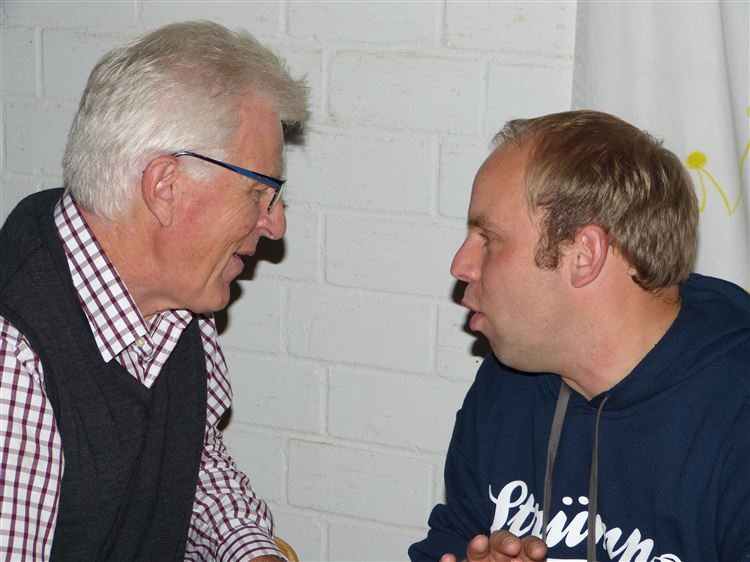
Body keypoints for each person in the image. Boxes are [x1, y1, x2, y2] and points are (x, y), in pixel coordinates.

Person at [0, 21, 307, 561]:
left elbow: (193, 464)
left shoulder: (175, 298)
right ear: (165, 186)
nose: (275, 225)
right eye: (259, 192)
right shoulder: (14, 358)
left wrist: (252, 551)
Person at [409, 110, 749, 562]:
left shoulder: (735, 413)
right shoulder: (511, 378)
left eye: (488, 238)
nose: (461, 265)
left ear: (585, 254)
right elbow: (453, 536)